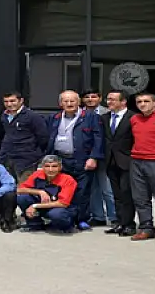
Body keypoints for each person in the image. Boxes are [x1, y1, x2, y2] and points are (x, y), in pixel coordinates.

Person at [45, 90, 103, 230]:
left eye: (72, 101)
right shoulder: (54, 117)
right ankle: (65, 219)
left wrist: (93, 157)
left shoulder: (90, 117)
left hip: (82, 160)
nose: (69, 103)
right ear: (60, 103)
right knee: (61, 190)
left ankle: (81, 219)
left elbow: (98, 138)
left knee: (82, 192)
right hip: (60, 160)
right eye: (66, 101)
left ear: (78, 102)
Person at [128, 92, 155, 244]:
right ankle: (146, 228)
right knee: (140, 198)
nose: (142, 104)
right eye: (139, 102)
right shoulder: (134, 119)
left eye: (146, 101)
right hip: (136, 160)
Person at [101, 90, 136, 236]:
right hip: (110, 161)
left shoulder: (133, 117)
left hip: (127, 161)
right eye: (108, 99)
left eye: (113, 99)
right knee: (116, 194)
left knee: (126, 194)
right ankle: (119, 223)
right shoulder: (104, 118)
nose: (109, 102)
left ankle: (129, 225)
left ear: (123, 102)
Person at [17, 155, 78, 232]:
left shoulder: (68, 180)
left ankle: (66, 226)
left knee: (56, 214)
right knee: (22, 198)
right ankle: (35, 225)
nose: (50, 169)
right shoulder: (37, 174)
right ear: (43, 167)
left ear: (60, 167)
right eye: (47, 166)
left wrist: (34, 206)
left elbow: (63, 203)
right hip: (44, 206)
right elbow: (19, 190)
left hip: (62, 209)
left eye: (54, 166)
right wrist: (39, 192)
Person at [0, 91, 49, 183]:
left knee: (24, 188)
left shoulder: (32, 116)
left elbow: (43, 137)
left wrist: (33, 151)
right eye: (6, 101)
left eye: (12, 101)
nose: (9, 104)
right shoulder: (4, 116)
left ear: (21, 101)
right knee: (8, 187)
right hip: (8, 158)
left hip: (26, 160)